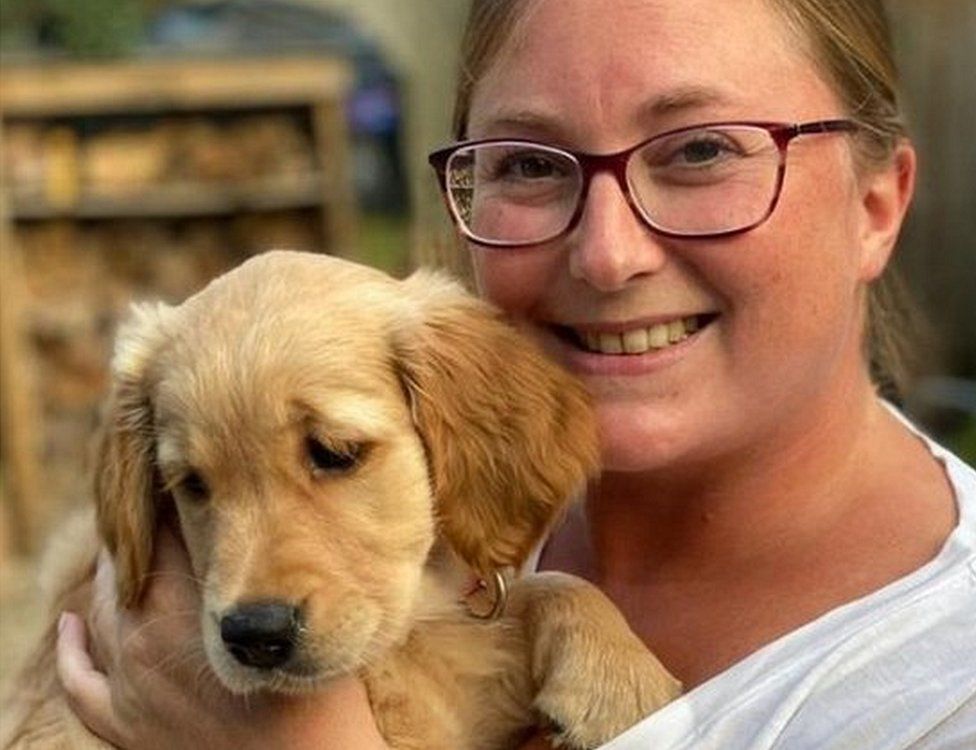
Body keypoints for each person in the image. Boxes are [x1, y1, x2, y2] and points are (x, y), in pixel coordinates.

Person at [56, 0, 976, 748]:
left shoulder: (944, 691)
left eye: (702, 149)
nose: (608, 255)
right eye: (532, 163)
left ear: (875, 204)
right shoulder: (458, 483)